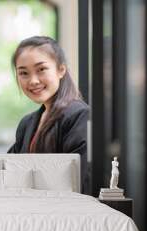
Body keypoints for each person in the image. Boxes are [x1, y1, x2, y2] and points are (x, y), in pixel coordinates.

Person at [7, 36, 90, 194]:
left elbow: (81, 180)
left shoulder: (80, 116)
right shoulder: (27, 124)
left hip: (65, 213)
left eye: (41, 69)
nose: (33, 81)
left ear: (61, 69)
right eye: (24, 73)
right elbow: (8, 172)